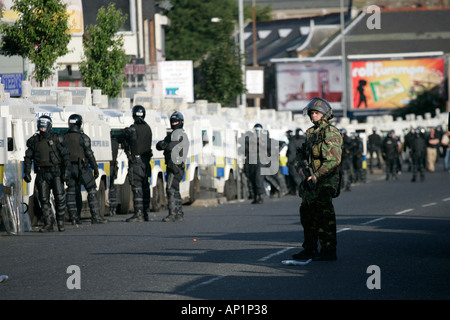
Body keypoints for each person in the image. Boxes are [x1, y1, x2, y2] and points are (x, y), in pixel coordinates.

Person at [292, 97, 342, 261]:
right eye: (312, 113)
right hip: (310, 182)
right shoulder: (311, 133)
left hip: (324, 182)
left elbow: (333, 160)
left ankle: (328, 250)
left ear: (325, 115)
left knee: (324, 217)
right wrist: (300, 168)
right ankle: (310, 248)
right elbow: (300, 156)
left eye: (316, 113)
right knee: (307, 216)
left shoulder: (330, 132)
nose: (313, 116)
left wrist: (317, 176)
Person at [23, 115, 71, 232]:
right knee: (43, 200)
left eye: (44, 127)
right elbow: (28, 157)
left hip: (56, 173)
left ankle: (60, 223)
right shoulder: (34, 141)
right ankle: (48, 224)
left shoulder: (57, 139)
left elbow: (66, 156)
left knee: (59, 198)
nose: (42, 129)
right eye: (41, 127)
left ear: (49, 126)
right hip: (42, 173)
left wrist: (66, 172)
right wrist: (27, 172)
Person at [64, 114, 108, 225]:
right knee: (92, 189)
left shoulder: (63, 137)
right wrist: (95, 169)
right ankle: (96, 216)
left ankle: (74, 217)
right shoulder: (83, 138)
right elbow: (89, 154)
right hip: (81, 168)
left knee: (71, 191)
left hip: (68, 168)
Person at [156, 111, 189, 222]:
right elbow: (160, 146)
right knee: (175, 189)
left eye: (176, 122)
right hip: (173, 166)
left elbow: (172, 148)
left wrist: (166, 145)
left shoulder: (181, 136)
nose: (174, 123)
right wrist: (162, 144)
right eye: (173, 122)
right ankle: (179, 213)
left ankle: (173, 213)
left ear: (181, 122)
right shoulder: (171, 136)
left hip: (176, 166)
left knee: (170, 189)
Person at [123, 105, 153, 222]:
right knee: (145, 187)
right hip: (146, 161)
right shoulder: (148, 128)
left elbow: (124, 138)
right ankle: (145, 213)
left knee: (137, 187)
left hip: (137, 161)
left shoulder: (133, 128)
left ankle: (138, 214)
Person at [287, 128, 306, 195]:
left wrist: (290, 161)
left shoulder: (293, 140)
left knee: (295, 175)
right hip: (305, 161)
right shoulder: (305, 139)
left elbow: (291, 152)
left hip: (295, 161)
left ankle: (299, 189)